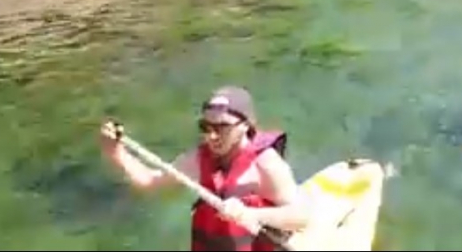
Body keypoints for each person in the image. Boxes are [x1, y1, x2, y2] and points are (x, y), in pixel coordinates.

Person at [100, 86, 309, 251]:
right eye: (205, 127)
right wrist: (116, 153)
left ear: (246, 125)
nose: (212, 136)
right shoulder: (199, 158)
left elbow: (300, 217)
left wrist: (252, 215)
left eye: (222, 127)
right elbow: (150, 182)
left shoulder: (265, 164)